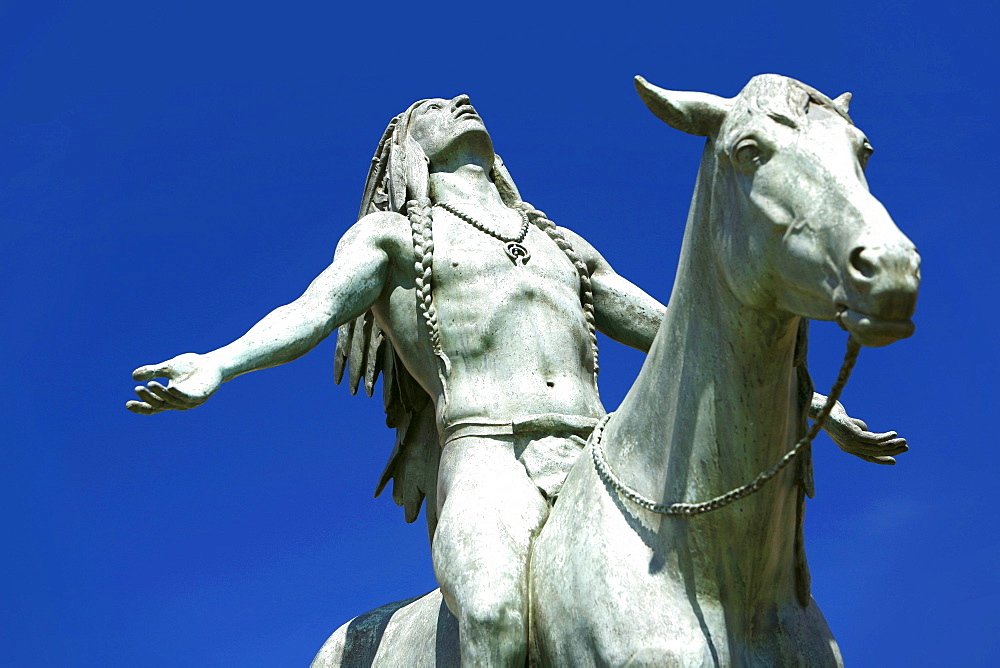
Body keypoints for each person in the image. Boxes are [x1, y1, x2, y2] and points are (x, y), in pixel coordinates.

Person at [127, 95, 906, 666]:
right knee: (496, 616)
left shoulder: (560, 244)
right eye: (433, 106)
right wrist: (218, 363)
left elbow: (686, 335)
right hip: (491, 456)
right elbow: (313, 309)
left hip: (597, 456)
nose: (459, 102)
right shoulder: (395, 237)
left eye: (462, 99)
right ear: (404, 147)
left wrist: (807, 401)